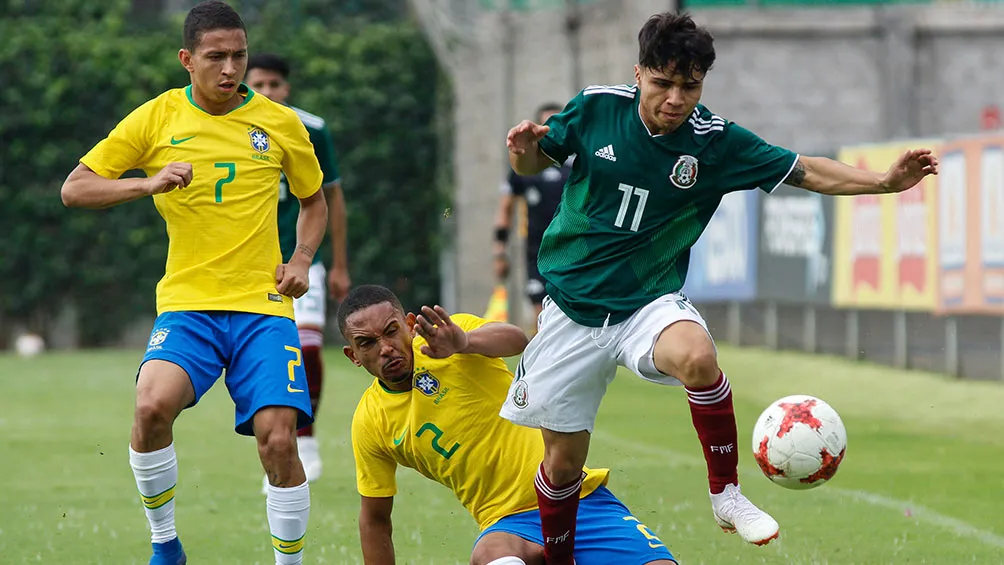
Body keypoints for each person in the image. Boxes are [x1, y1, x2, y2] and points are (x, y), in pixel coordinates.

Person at [499, 11, 938, 564]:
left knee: (697, 356)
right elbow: (537, 156)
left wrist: (884, 182)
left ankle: (726, 493)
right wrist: (522, 149)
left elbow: (805, 170)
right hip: (571, 310)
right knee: (562, 465)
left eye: (690, 85)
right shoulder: (596, 108)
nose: (676, 98)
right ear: (639, 74)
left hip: (645, 303)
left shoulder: (715, 141)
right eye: (663, 83)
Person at [59, 2, 328, 564]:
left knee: (280, 440)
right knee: (150, 407)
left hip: (263, 307)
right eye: (216, 57)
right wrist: (147, 184)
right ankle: (165, 545)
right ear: (187, 59)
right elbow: (76, 189)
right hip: (188, 305)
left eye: (239, 55)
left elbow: (314, 201)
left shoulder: (281, 123)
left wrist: (302, 257)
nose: (230, 69)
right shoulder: (156, 118)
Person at [341, 285, 678, 565]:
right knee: (492, 557)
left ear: (409, 324)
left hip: (580, 499)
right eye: (367, 343)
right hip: (510, 525)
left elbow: (518, 340)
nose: (385, 348)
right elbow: (374, 519)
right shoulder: (371, 422)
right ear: (353, 355)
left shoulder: (450, 338)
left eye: (391, 331)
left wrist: (464, 343)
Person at [246, 52, 351, 487]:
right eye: (260, 85)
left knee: (307, 347)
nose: (267, 93)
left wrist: (340, 264)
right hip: (251, 262)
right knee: (263, 354)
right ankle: (277, 441)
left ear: (286, 89)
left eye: (275, 85)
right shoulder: (233, 126)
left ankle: (304, 439)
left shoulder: (312, 129)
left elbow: (332, 199)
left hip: (304, 258)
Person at [493, 102, 570, 327]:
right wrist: (499, 251)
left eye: (557, 124)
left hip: (574, 248)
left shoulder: (578, 162)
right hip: (537, 250)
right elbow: (505, 209)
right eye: (547, 125)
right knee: (542, 316)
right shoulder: (524, 168)